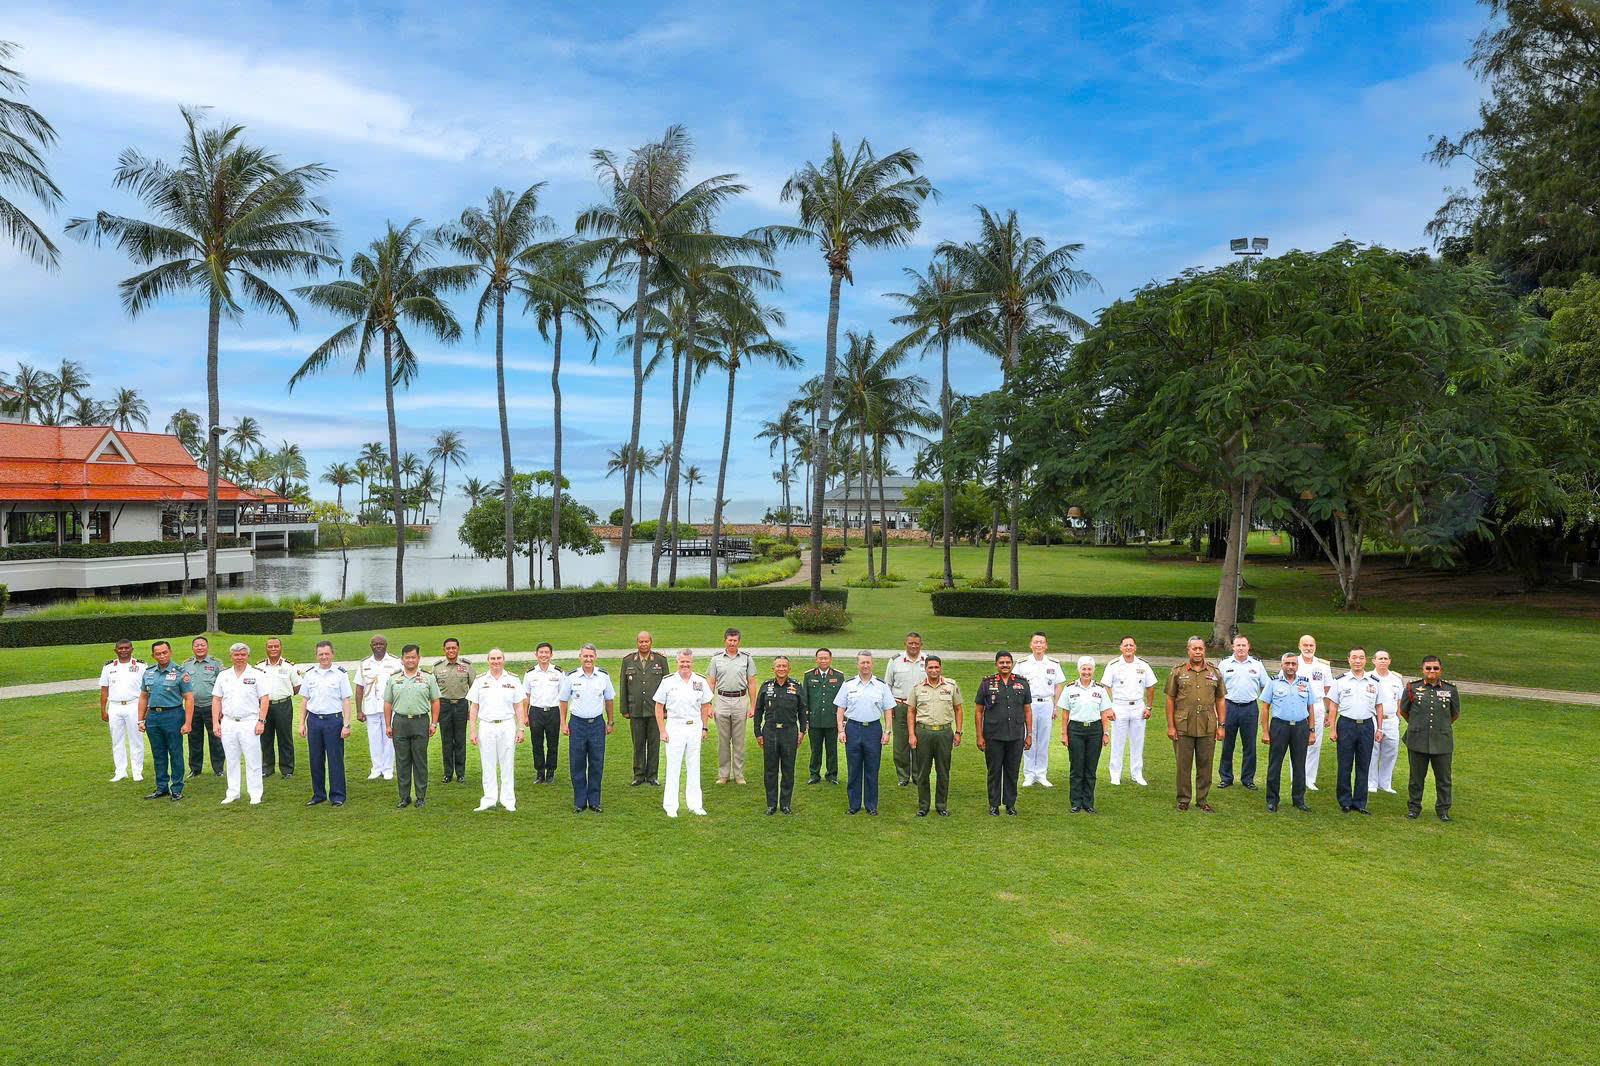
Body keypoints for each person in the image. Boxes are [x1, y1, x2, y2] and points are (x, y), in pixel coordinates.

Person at [1165, 637, 1226, 812]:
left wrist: (1221, 725)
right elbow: (1170, 699)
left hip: (1207, 725)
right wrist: (1171, 726)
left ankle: (1202, 800)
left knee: (1205, 765)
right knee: (1183, 766)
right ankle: (1183, 799)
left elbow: (1220, 699)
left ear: (1204, 650)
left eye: (1200, 648)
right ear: (1188, 650)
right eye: (1194, 649)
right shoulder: (1178, 672)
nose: (1198, 652)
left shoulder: (1215, 672)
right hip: (1183, 725)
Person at [1327, 646, 1389, 815]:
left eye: (1361, 658)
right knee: (1345, 765)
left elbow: (1379, 706)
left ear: (1365, 660)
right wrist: (1332, 729)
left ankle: (1360, 802)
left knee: (1364, 765)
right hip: (1346, 725)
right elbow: (1333, 706)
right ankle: (1345, 801)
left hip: (1367, 726)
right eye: (1354, 657)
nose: (1357, 661)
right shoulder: (1340, 681)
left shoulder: (1374, 681)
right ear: (1349, 660)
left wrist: (1380, 728)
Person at [1398, 655, 1460, 823]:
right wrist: (1417, 725)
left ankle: (1443, 810)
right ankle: (1414, 808)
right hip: (1417, 740)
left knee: (1444, 779)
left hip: (1442, 741)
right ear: (1422, 670)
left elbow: (1454, 714)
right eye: (1428, 668)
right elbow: (1404, 710)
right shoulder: (1412, 687)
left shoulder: (1451, 689)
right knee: (1416, 778)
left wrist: (1440, 727)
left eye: (1435, 668)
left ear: (1441, 670)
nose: (1432, 671)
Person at [833, 652, 895, 816]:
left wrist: (887, 731)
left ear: (872, 664)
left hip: (873, 730)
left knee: (872, 769)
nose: (865, 665)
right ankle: (854, 805)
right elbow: (840, 709)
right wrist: (841, 730)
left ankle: (871, 805)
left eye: (868, 662)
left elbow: (888, 710)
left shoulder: (881, 686)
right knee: (853, 768)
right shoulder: (848, 685)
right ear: (857, 664)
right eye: (862, 663)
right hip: (853, 728)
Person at [653, 649, 712, 818]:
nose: (685, 665)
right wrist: (662, 730)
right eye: (682, 662)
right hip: (675, 727)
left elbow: (705, 705)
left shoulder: (700, 681)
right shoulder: (668, 681)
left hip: (694, 727)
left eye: (688, 662)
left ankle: (695, 805)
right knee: (673, 767)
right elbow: (658, 707)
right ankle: (671, 806)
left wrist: (704, 727)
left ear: (692, 662)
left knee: (694, 766)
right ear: (677, 662)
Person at [974, 652, 1032, 816]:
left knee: (1012, 771)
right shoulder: (987, 683)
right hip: (993, 735)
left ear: (1012, 664)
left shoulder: (1022, 683)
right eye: (1001, 662)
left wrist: (1029, 734)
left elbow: (1027, 710)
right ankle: (993, 805)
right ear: (996, 664)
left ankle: (1010, 804)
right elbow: (979, 711)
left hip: (1016, 735)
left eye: (1008, 662)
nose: (1005, 665)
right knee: (994, 771)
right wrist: (979, 735)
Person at [469, 648, 526, 813]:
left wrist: (521, 728)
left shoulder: (513, 679)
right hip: (486, 725)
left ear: (503, 660)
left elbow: (519, 706)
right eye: (493, 659)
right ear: (488, 661)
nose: (496, 662)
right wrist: (472, 731)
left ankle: (508, 800)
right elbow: (474, 707)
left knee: (507, 763)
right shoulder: (480, 680)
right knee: (487, 764)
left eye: (499, 658)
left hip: (507, 725)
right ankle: (489, 799)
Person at [560, 643, 615, 813]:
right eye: (585, 656)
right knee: (577, 763)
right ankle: (580, 802)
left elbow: (609, 700)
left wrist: (610, 722)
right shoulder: (571, 677)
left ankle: (595, 801)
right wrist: (563, 723)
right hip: (577, 724)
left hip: (597, 724)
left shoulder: (603, 676)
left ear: (595, 657)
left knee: (597, 763)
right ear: (580, 657)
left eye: (591, 656)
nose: (588, 659)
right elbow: (563, 700)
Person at [384, 644, 440, 810]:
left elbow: (435, 701)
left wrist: (434, 723)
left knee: (420, 761)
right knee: (402, 761)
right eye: (407, 657)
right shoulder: (393, 678)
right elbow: (387, 703)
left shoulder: (428, 677)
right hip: (400, 722)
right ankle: (404, 797)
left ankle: (420, 797)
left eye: (413, 657)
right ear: (402, 659)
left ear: (418, 659)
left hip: (420, 722)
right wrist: (388, 724)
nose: (410, 660)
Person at [297, 639, 352, 807]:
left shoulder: (340, 674)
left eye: (327, 653)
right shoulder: (310, 674)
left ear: (332, 654)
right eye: (320, 654)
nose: (324, 657)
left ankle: (337, 795)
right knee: (315, 759)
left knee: (335, 759)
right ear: (316, 655)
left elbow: (346, 700)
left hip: (333, 721)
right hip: (314, 721)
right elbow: (304, 700)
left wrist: (346, 725)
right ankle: (318, 794)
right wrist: (301, 723)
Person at [211, 642, 268, 806]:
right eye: (236, 655)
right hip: (228, 722)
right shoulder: (223, 675)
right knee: (231, 759)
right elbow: (216, 699)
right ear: (231, 656)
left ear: (248, 656)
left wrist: (261, 721)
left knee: (253, 760)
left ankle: (255, 793)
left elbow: (264, 699)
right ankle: (233, 792)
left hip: (249, 722)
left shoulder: (257, 674)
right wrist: (216, 723)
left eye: (243, 654)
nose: (239, 657)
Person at [1258, 652, 1316, 812]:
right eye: (1287, 663)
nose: (1290, 667)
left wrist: (1312, 731)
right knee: (1275, 764)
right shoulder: (1273, 682)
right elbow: (1265, 707)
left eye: (1293, 664)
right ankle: (1272, 800)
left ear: (1297, 666)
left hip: (1300, 727)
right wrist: (1265, 732)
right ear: (1282, 665)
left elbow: (1310, 707)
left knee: (1299, 764)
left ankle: (1299, 800)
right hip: (1279, 727)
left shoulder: (1305, 683)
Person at [137, 640, 193, 802]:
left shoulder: (180, 673)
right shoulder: (148, 672)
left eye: (164, 652)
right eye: (158, 654)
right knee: (158, 753)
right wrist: (140, 719)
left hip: (173, 715)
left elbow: (189, 698)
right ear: (153, 655)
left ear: (170, 652)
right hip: (153, 717)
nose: (162, 656)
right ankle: (161, 787)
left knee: (175, 753)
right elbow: (143, 697)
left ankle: (176, 788)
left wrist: (188, 722)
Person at [906, 655, 962, 817]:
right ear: (925, 669)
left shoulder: (951, 686)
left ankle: (941, 805)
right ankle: (923, 806)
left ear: (941, 668)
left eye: (936, 667)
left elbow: (958, 709)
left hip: (944, 733)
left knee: (943, 771)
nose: (934, 670)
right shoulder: (917, 688)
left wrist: (958, 732)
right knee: (923, 771)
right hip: (923, 732)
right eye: (930, 667)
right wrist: (912, 734)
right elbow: (911, 711)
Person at [1057, 656, 1113, 814]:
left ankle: (1088, 803)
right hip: (1075, 730)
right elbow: (1065, 714)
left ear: (1093, 671)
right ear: (1079, 670)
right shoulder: (1070, 688)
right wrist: (1064, 734)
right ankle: (1075, 802)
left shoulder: (1100, 689)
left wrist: (1106, 733)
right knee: (1076, 768)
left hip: (1095, 730)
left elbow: (1104, 713)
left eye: (1089, 669)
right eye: (1084, 669)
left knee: (1090, 769)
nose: (1086, 672)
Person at [753, 656, 807, 815]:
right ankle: (771, 804)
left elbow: (803, 710)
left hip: (789, 732)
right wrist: (758, 732)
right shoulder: (766, 686)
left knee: (788, 770)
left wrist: (802, 731)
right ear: (773, 669)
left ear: (789, 669)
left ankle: (785, 804)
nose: (781, 669)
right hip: (770, 732)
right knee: (770, 770)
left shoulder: (796, 686)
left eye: (784, 666)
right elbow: (758, 711)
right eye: (778, 666)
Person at [1101, 637, 1157, 787]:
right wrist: (1109, 707)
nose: (1128, 648)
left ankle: (1137, 774)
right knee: (1117, 742)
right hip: (1119, 706)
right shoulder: (1113, 665)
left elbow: (1151, 686)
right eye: (1125, 645)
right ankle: (1115, 774)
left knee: (1138, 742)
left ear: (1135, 647)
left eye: (1131, 645)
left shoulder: (1143, 665)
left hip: (1138, 706)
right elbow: (1105, 686)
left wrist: (1149, 707)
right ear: (1121, 648)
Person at [1217, 634, 1270, 791]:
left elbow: (1266, 687)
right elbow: (1217, 688)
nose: (1240, 648)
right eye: (1238, 645)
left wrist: (1265, 706)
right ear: (1233, 647)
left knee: (1250, 746)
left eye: (1243, 645)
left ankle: (1248, 779)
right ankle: (1226, 778)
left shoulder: (1257, 665)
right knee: (1227, 744)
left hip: (1250, 708)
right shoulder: (1224, 664)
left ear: (1248, 647)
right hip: (1229, 707)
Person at [1015, 632, 1064, 789]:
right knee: (1028, 737)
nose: (1038, 645)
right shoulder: (1022, 663)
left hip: (1046, 704)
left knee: (1043, 739)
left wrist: (1055, 706)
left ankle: (1041, 774)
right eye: (1036, 642)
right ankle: (1029, 774)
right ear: (1031, 645)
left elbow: (1058, 685)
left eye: (1041, 642)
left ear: (1046, 645)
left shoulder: (1053, 664)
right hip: (1028, 705)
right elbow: (1014, 683)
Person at [619, 630, 668, 787]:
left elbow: (667, 687)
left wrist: (665, 709)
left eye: (646, 641)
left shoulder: (660, 660)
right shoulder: (628, 661)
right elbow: (623, 686)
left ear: (651, 642)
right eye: (641, 641)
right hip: (636, 709)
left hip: (655, 710)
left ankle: (652, 775)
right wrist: (624, 709)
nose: (644, 644)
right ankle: (639, 775)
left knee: (654, 744)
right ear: (637, 643)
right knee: (638, 744)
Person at [708, 628, 755, 785]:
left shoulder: (747, 659)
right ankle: (723, 775)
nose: (732, 643)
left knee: (739, 741)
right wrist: (708, 705)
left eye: (735, 640)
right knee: (723, 741)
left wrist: (753, 706)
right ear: (725, 641)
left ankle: (739, 775)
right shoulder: (716, 659)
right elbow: (711, 683)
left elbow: (752, 683)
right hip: (722, 700)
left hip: (740, 701)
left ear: (739, 642)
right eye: (730, 640)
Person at [354, 635, 404, 781]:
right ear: (371, 646)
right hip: (371, 707)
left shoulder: (395, 662)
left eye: (381, 644)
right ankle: (376, 768)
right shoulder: (364, 664)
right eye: (375, 644)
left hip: (391, 707)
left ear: (386, 645)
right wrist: (359, 710)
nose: (378, 646)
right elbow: (359, 689)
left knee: (389, 738)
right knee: (374, 739)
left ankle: (388, 769)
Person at [883, 632, 929, 788]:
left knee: (920, 742)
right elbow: (887, 685)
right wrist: (890, 707)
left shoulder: (927, 659)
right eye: (911, 643)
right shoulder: (895, 660)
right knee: (901, 744)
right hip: (900, 706)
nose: (913, 646)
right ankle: (903, 776)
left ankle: (917, 775)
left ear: (921, 644)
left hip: (921, 707)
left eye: (916, 643)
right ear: (905, 644)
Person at [99, 639, 145, 784]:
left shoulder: (141, 666)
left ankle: (137, 771)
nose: (123, 651)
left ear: (132, 649)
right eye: (120, 648)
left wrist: (145, 710)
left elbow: (146, 690)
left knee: (136, 739)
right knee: (117, 740)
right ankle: (120, 771)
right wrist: (103, 710)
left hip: (134, 705)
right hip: (115, 706)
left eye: (126, 648)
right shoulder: (108, 667)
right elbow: (104, 690)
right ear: (115, 650)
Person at [431, 637, 475, 785]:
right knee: (447, 741)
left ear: (458, 649)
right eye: (448, 648)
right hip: (444, 706)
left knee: (460, 740)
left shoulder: (467, 666)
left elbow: (474, 690)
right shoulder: (437, 667)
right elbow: (432, 692)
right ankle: (448, 773)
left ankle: (461, 773)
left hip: (461, 705)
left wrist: (472, 710)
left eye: (453, 648)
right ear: (444, 650)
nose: (451, 650)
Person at [256, 637, 301, 779]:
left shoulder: (289, 666)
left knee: (285, 738)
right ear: (266, 649)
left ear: (281, 648)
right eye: (270, 646)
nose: (273, 649)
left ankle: (287, 770)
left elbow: (297, 686)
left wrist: (284, 695)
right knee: (265, 738)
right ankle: (267, 768)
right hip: (264, 707)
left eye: (276, 646)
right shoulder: (259, 667)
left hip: (283, 706)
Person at [180, 637, 224, 778]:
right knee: (194, 739)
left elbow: (223, 686)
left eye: (202, 645)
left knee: (216, 738)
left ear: (207, 647)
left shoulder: (216, 664)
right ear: (193, 648)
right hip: (192, 708)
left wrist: (222, 708)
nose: (200, 648)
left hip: (212, 706)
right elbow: (181, 686)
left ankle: (218, 769)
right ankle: (195, 769)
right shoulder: (186, 665)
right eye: (197, 645)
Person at [1295, 634, 1334, 792]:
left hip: (1317, 705)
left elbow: (1327, 689)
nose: (1308, 648)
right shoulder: (1293, 662)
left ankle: (1309, 779)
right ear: (1299, 646)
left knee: (1314, 743)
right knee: (1296, 743)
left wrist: (1328, 712)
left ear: (1315, 647)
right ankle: (1296, 778)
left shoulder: (1323, 666)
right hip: (1297, 705)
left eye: (1311, 645)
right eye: (1305, 645)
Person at [522, 642, 565, 784]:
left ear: (551, 655)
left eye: (547, 652)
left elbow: (563, 697)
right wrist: (525, 715)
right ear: (536, 655)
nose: (544, 655)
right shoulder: (530, 674)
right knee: (537, 744)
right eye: (541, 652)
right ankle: (540, 773)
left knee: (553, 744)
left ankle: (551, 772)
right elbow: (526, 696)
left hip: (553, 712)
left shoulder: (558, 672)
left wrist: (563, 718)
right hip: (536, 712)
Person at [802, 649, 845, 785]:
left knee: (832, 750)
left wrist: (842, 721)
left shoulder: (839, 676)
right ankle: (814, 774)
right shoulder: (809, 676)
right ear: (816, 659)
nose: (823, 660)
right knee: (815, 750)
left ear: (830, 659)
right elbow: (805, 699)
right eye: (820, 658)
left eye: (826, 658)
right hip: (814, 720)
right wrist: (805, 720)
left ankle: (832, 775)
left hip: (832, 720)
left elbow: (843, 700)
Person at [1368, 650, 1405, 794]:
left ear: (1389, 661)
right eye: (1380, 658)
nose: (1383, 661)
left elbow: (1399, 700)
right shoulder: (1368, 677)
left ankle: (1385, 783)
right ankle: (1371, 783)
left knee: (1391, 751)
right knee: (1372, 751)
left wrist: (1398, 717)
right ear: (1374, 661)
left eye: (1385, 659)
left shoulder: (1396, 679)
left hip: (1391, 720)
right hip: (1373, 719)